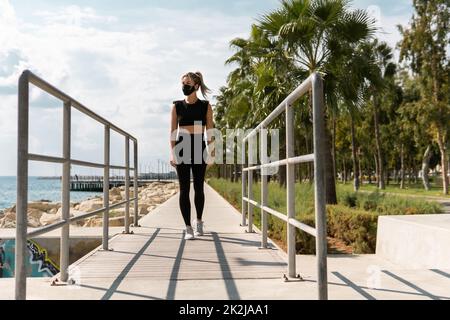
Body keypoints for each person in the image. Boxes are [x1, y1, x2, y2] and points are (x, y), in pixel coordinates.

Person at [169, 71, 215, 240]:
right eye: (183, 83)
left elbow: (209, 131)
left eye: (187, 83)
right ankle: (188, 227)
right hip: (182, 147)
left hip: (199, 147)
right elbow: (173, 132)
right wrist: (173, 153)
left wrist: (212, 153)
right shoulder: (177, 106)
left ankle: (199, 221)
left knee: (198, 188)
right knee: (184, 189)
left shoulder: (205, 106)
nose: (184, 86)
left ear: (196, 86)